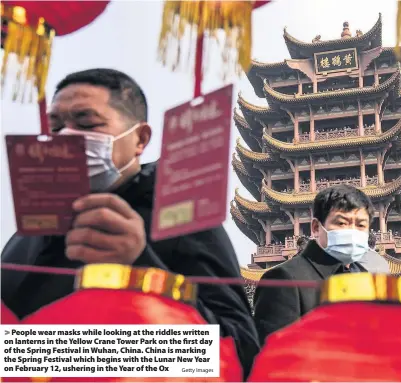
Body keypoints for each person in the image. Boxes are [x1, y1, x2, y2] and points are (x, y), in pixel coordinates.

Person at [0, 68, 259, 376]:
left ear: (140, 138)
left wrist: (142, 267)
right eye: (55, 128)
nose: (65, 138)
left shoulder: (178, 217)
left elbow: (240, 349)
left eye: (87, 124)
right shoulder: (27, 233)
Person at [253, 185, 371, 343]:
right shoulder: (284, 280)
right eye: (342, 223)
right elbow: (275, 359)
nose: (352, 231)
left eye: (361, 225)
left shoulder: (363, 281)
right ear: (316, 228)